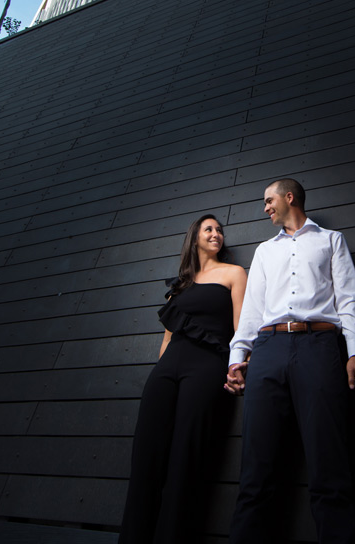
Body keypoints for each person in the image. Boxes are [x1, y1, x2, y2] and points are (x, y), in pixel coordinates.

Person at [226, 178, 355, 544]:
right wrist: (236, 357)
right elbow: (252, 311)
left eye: (269, 200)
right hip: (268, 349)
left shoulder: (331, 240)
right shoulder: (263, 252)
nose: (265, 208)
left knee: (329, 465)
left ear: (289, 198)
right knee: (255, 469)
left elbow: (348, 300)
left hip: (319, 346)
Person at [120, 214, 247, 544]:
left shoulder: (234, 274)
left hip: (207, 367)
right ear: (195, 239)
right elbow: (166, 338)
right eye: (209, 229)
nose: (216, 234)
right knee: (146, 456)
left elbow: (240, 329)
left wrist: (239, 366)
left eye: (219, 230)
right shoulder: (181, 284)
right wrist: (160, 370)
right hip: (168, 368)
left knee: (185, 458)